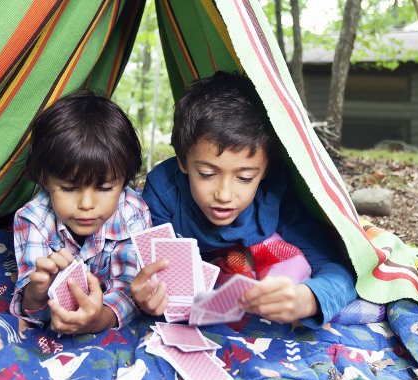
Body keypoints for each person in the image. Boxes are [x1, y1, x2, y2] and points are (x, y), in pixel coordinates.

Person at [131, 71, 356, 328]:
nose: (224, 195)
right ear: (182, 160)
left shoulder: (274, 195)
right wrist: (146, 297)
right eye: (207, 174)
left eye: (245, 177)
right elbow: (148, 274)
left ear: (266, 170)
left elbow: (337, 271)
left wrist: (308, 299)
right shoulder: (163, 192)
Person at [10, 90, 151, 335]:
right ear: (44, 179)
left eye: (105, 187)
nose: (87, 203)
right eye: (69, 187)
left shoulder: (134, 212)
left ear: (125, 181)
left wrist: (102, 319)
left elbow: (131, 291)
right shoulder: (32, 219)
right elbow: (34, 312)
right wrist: (37, 293)